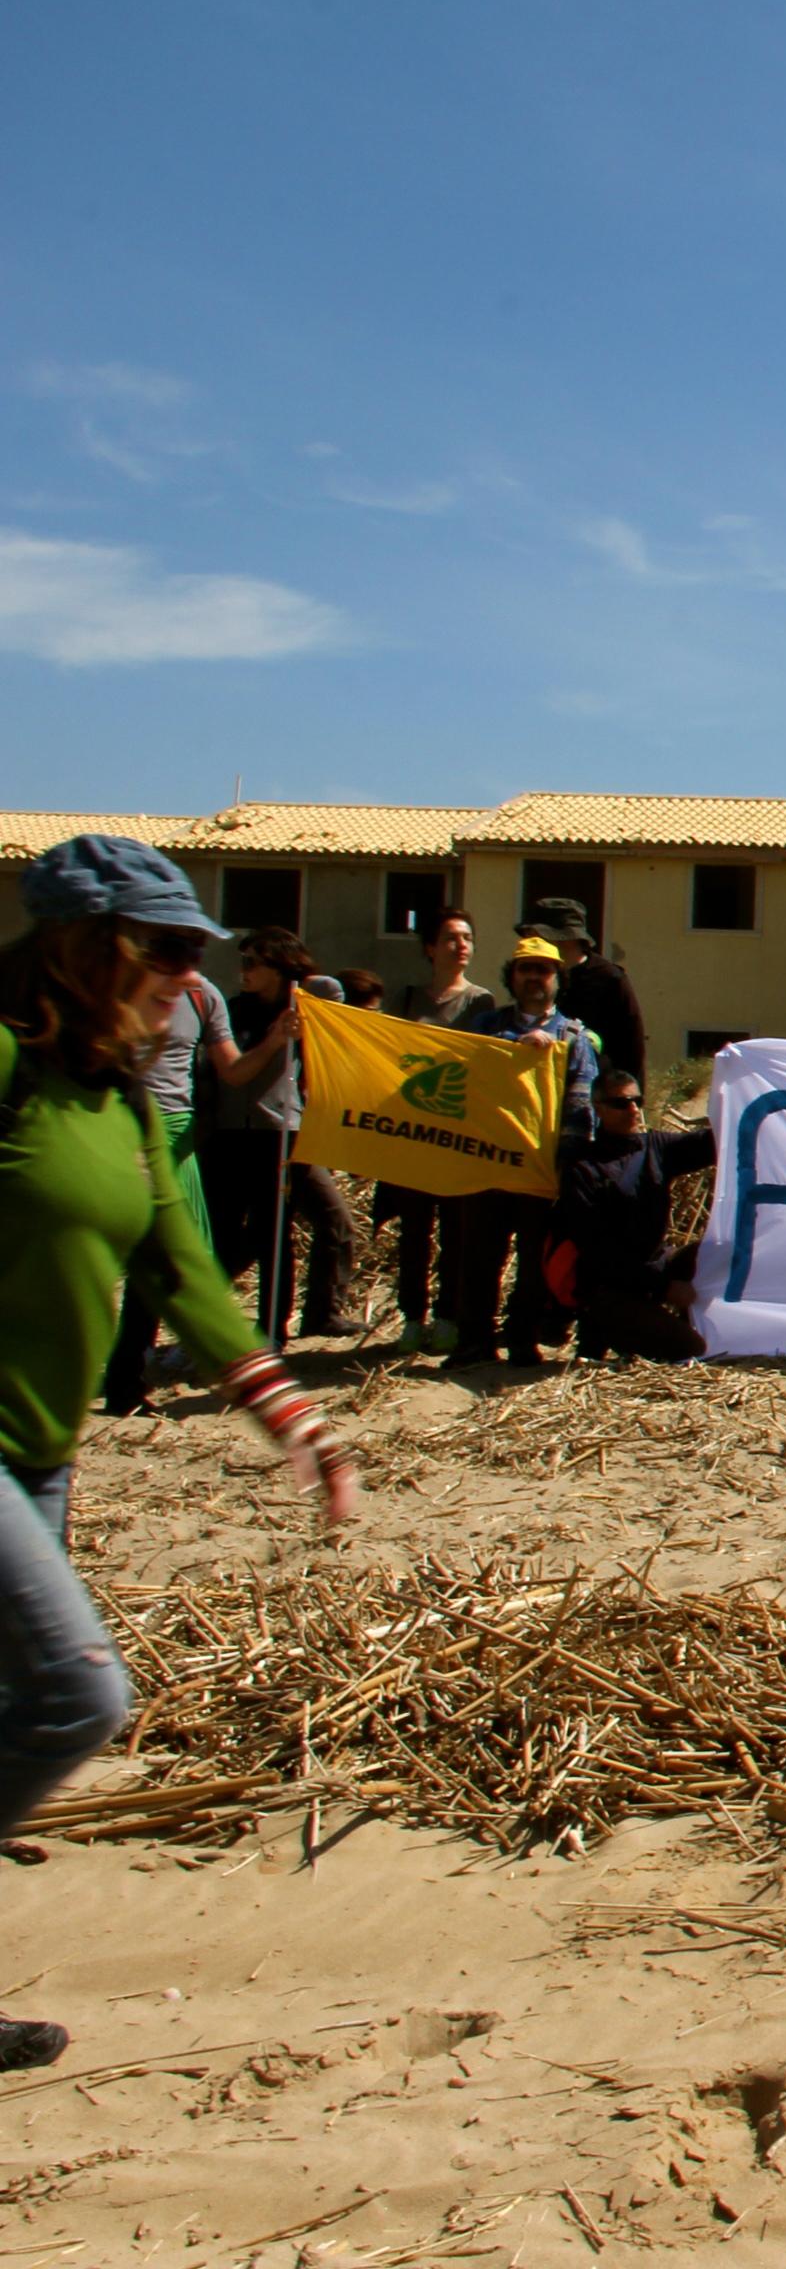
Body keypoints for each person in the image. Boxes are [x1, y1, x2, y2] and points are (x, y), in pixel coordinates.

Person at [1, 835, 359, 2072]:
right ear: (85, 944)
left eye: (194, 953)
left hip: (42, 1457)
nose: (185, 974)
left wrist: (293, 1417)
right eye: (164, 950)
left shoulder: (112, 1088)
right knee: (77, 1696)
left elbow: (184, 1274)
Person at [203, 928, 367, 1341]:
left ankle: (277, 1327)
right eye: (242, 961)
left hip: (280, 1134)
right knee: (224, 1236)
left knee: (276, 1236)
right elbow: (236, 1073)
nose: (243, 970)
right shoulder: (233, 1010)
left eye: (253, 962)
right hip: (228, 1136)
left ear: (279, 968)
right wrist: (276, 1039)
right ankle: (207, 1323)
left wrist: (303, 991)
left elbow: (332, 991)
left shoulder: (304, 1008)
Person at [96, 944, 240, 1415]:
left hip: (177, 1137)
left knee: (167, 1262)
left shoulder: (204, 998)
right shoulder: (116, 988)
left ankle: (125, 1380)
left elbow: (233, 1069)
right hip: (117, 1126)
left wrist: (282, 1038)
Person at [444, 934, 596, 1371]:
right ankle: (473, 1341)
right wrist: (514, 1054)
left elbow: (580, 1108)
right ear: (511, 977)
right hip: (486, 1167)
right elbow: (463, 1081)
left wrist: (570, 1170)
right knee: (477, 1260)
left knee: (533, 1267)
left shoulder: (573, 1037)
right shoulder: (484, 1028)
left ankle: (523, 1340)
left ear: (557, 980)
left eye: (544, 970)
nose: (535, 978)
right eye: (525, 969)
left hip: (540, 1173)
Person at [375, 909, 498, 1353]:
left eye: (467, 937)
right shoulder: (407, 1000)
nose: (460, 945)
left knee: (456, 1232)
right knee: (414, 1232)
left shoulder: (480, 1002)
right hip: (412, 1135)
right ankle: (413, 1316)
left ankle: (449, 1315)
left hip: (459, 1136)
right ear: (430, 947)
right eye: (450, 937)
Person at [553, 1071, 716, 1363]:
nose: (632, 1110)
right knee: (691, 1349)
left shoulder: (656, 1147)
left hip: (655, 1268)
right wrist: (664, 1288)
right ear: (598, 1108)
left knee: (715, 1254)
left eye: (637, 1101)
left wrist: (738, 1089)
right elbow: (598, 1253)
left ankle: (663, 1322)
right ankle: (604, 1331)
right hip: (611, 1287)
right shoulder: (583, 1169)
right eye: (621, 1103)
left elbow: (712, 1144)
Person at [522, 895, 645, 1085]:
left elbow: (631, 1049)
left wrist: (626, 1102)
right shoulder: (531, 977)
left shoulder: (610, 980)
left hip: (595, 1094)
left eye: (538, 937)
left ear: (565, 938)